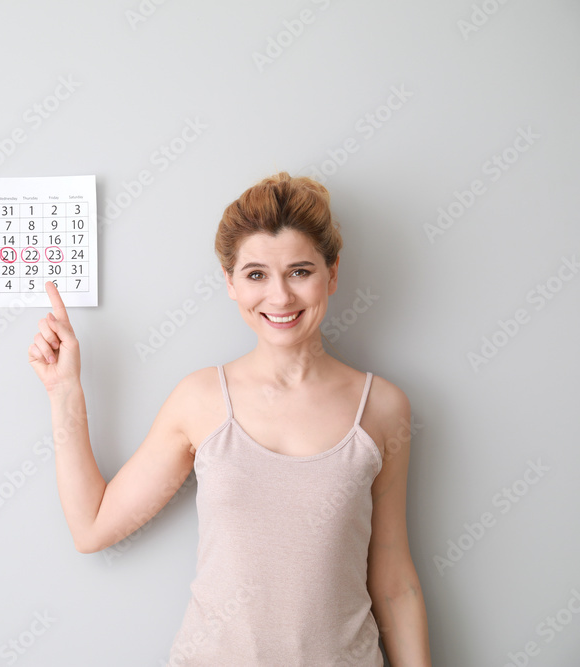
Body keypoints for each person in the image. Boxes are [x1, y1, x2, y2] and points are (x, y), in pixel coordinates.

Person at [27, 172, 431, 665]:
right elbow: (92, 528)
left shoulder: (384, 408)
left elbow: (392, 575)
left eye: (300, 271)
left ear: (333, 273)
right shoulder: (200, 400)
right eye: (256, 275)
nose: (280, 297)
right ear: (231, 283)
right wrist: (64, 390)